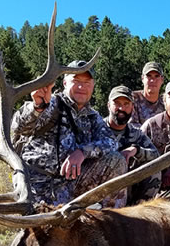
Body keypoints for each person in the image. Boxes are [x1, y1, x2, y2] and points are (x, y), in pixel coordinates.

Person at [12, 60, 127, 207]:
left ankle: (111, 223)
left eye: (87, 82)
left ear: (93, 86)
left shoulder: (92, 116)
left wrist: (83, 152)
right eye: (76, 80)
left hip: (70, 185)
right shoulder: (51, 104)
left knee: (116, 161)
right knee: (42, 228)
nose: (81, 87)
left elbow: (111, 143)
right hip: (37, 186)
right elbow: (18, 127)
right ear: (65, 83)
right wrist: (37, 107)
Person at [104, 85, 161, 205]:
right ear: (109, 105)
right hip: (100, 186)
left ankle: (140, 209)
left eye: (126, 104)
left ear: (132, 108)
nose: (121, 108)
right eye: (117, 103)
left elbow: (156, 155)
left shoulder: (135, 133)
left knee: (154, 168)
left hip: (127, 186)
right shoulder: (97, 128)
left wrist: (136, 150)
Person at [130, 61, 165, 127]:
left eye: (156, 76)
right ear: (142, 78)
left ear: (162, 80)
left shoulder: (166, 103)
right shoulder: (133, 99)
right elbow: (131, 128)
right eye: (149, 76)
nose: (152, 80)